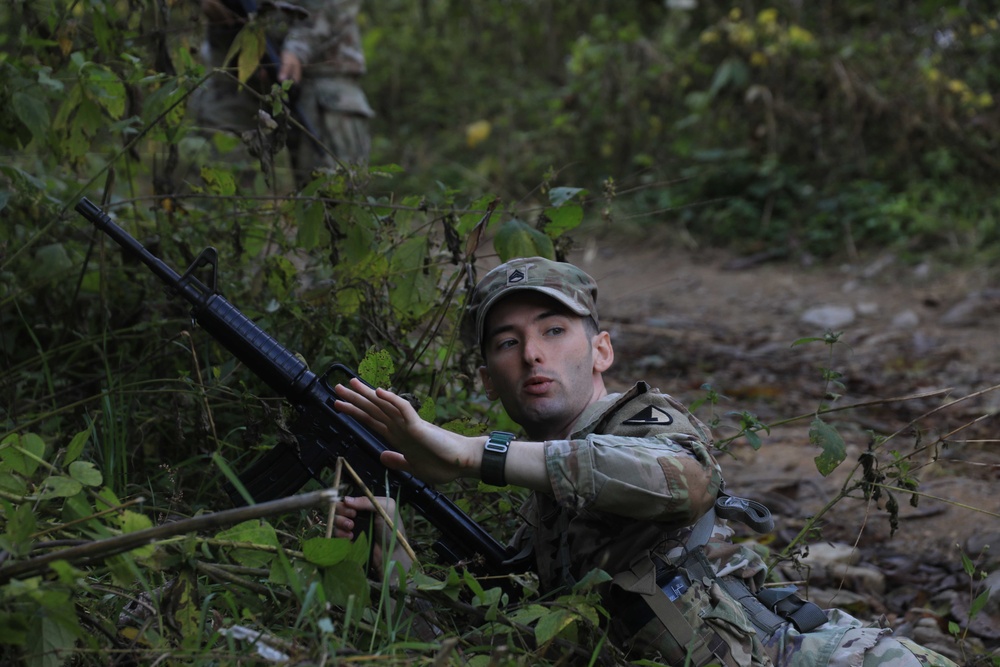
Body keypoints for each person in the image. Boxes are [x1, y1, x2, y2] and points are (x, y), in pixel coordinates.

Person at [330, 256, 959, 667]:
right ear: (490, 381)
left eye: (554, 330)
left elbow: (682, 482)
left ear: (601, 349)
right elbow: (495, 647)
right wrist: (392, 560)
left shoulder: (646, 421)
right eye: (507, 342)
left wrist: (473, 454)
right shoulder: (538, 512)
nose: (532, 354)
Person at [191, 0, 373, 185]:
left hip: (320, 71)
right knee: (220, 180)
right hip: (235, 68)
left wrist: (298, 47)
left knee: (332, 186)